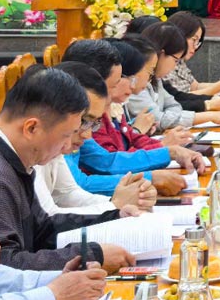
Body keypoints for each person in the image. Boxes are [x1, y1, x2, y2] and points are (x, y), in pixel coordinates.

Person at [0, 68, 135, 272]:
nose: (67, 147)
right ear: (31, 128)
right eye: (66, 135)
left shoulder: (13, 159)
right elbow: (2, 266)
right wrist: (90, 255)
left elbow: (43, 230)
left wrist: (113, 218)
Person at [0, 133, 108, 300]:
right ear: (31, 128)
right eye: (66, 134)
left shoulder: (17, 167)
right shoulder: (0, 173)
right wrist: (54, 296)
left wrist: (61, 279)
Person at [60, 43, 204, 197]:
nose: (88, 134)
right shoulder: (63, 121)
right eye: (114, 84)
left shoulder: (86, 120)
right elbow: (77, 186)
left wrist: (170, 152)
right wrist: (148, 179)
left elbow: (105, 161)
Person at [35, 62, 156, 216]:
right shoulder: (37, 144)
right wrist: (115, 206)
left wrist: (117, 206)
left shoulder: (53, 143)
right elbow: (47, 219)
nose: (88, 135)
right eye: (84, 121)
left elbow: (67, 193)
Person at [127, 23, 220, 131]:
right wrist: (210, 113)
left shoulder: (155, 79)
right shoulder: (135, 82)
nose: (175, 66)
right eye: (175, 60)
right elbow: (159, 119)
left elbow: (174, 104)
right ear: (161, 53)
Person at [96, 39, 190, 149]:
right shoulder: (95, 113)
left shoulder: (115, 105)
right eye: (130, 78)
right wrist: (162, 146)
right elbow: (112, 159)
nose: (132, 85)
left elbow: (129, 140)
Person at [165, 11, 220, 100]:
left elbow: (196, 87)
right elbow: (181, 99)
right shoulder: (164, 61)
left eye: (198, 42)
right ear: (179, 35)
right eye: (193, 40)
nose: (195, 47)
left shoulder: (180, 60)